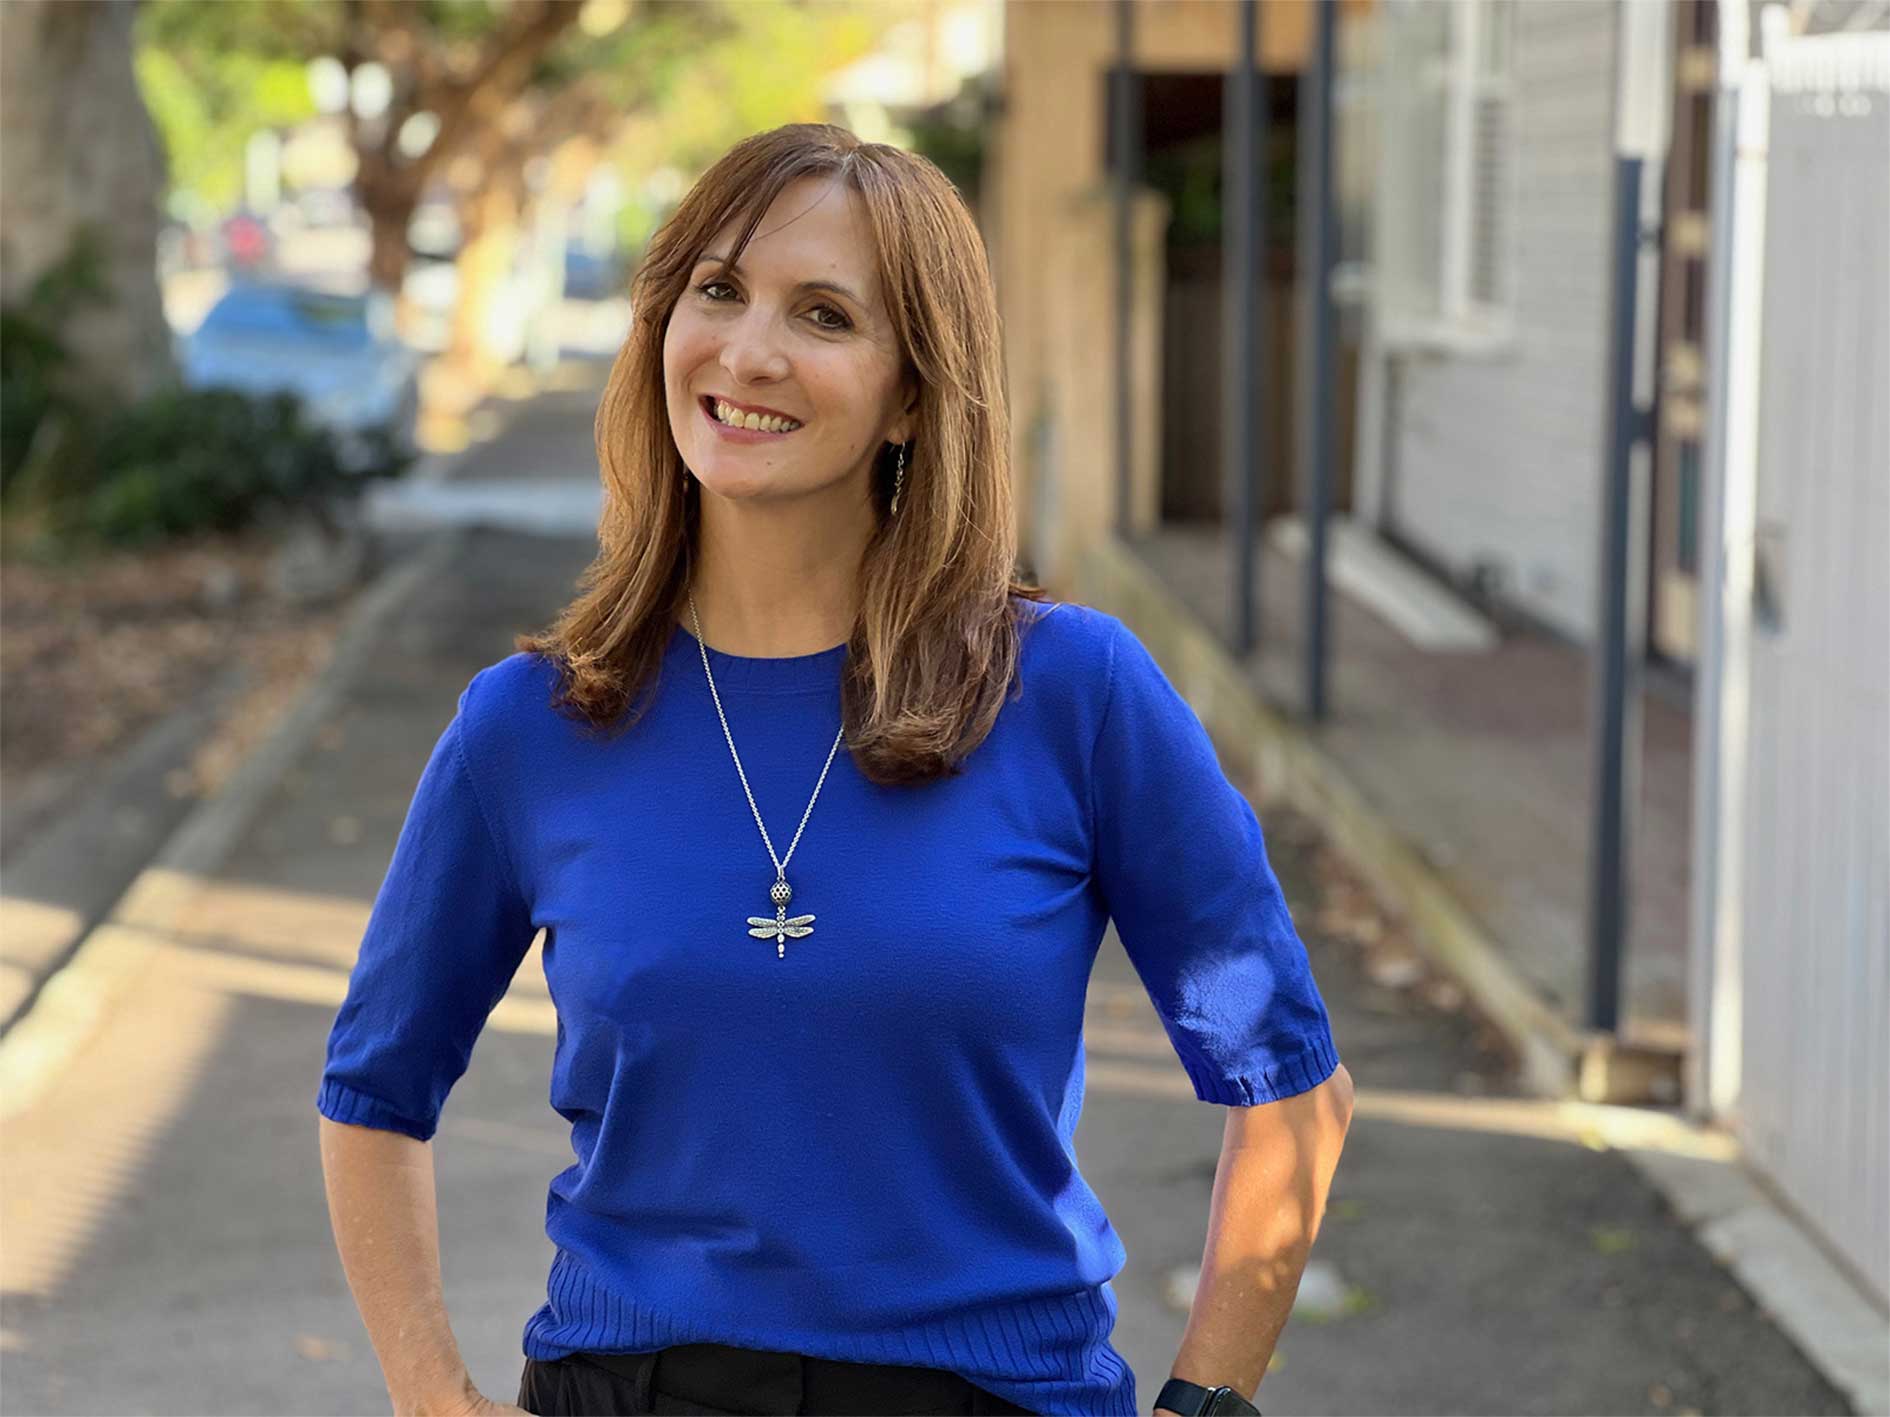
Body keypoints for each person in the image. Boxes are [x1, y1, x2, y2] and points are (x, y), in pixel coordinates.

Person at [316, 122, 1353, 1417]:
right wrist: (433, 1399)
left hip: (989, 1394)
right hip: (630, 1386)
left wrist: (1205, 1404)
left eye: (821, 314)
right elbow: (371, 1093)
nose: (749, 353)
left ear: (912, 390)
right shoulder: (528, 725)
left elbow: (1291, 1091)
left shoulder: (1073, 693)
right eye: (717, 290)